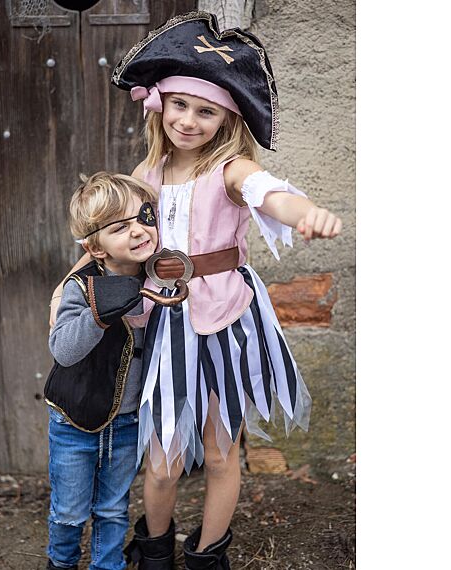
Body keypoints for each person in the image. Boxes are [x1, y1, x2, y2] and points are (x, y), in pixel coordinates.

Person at [50, 11, 343, 570]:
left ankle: (208, 555)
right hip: (163, 320)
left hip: (224, 320)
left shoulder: (229, 169)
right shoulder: (146, 174)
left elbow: (269, 193)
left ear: (226, 118)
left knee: (219, 450)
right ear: (160, 104)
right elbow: (111, 239)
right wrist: (77, 288)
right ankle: (154, 550)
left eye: (206, 111)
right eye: (179, 104)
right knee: (162, 458)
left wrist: (304, 212)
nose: (188, 120)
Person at [44, 172, 167, 570]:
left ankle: (108, 565)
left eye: (143, 217)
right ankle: (61, 563)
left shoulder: (160, 278)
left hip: (128, 422)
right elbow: (63, 350)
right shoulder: (82, 287)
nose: (138, 231)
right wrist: (98, 316)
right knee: (69, 512)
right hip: (74, 421)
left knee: (113, 509)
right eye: (119, 228)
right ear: (95, 248)